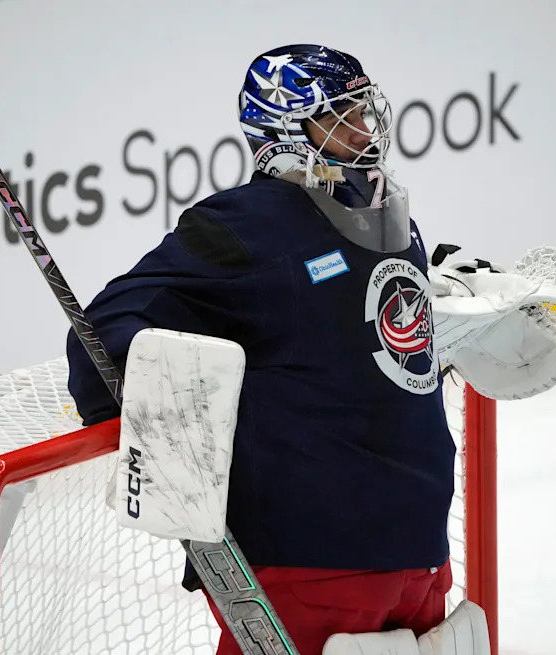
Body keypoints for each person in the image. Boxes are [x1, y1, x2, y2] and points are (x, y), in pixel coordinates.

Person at [67, 44, 464, 654]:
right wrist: (152, 397)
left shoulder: (388, 217)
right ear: (284, 132)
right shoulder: (248, 225)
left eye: (363, 110)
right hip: (328, 564)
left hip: (398, 557)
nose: (363, 129)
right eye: (339, 117)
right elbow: (105, 331)